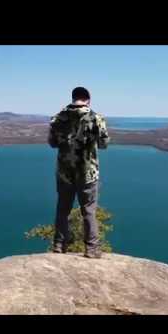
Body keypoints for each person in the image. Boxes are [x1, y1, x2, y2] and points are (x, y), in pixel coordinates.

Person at [48, 87, 110, 258]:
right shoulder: (96, 118)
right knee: (88, 210)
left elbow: (52, 143)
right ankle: (91, 249)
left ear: (73, 98)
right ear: (88, 100)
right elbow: (104, 144)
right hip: (88, 172)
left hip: (64, 172)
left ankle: (59, 245)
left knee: (63, 209)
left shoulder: (58, 118)